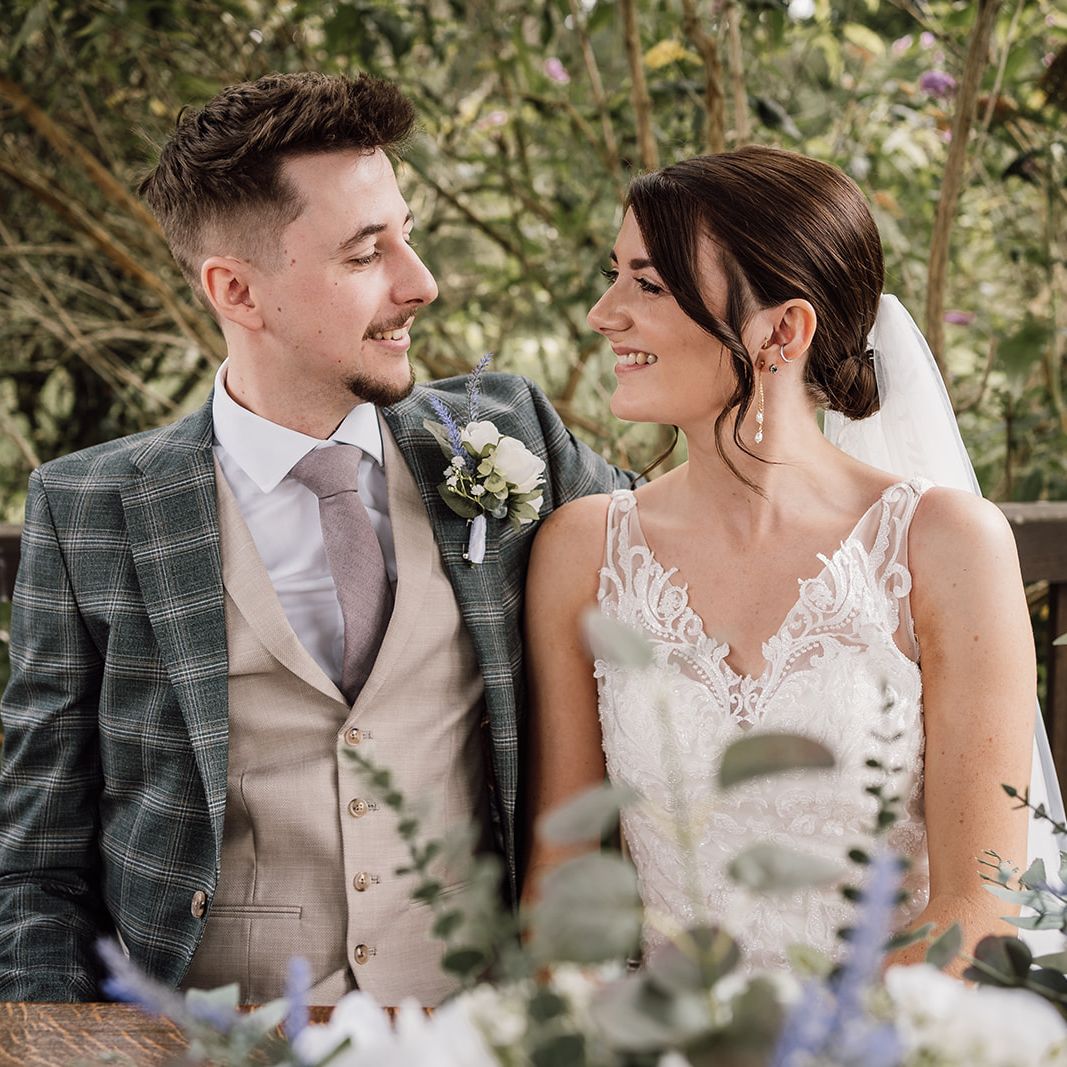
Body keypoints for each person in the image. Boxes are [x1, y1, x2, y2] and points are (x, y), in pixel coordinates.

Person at [0, 71, 630, 1006]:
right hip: (206, 1031)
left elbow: (699, 561)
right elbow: (36, 864)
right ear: (236, 291)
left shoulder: (510, 434)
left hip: (478, 1026)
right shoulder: (89, 507)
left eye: (405, 234)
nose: (421, 283)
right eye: (365, 253)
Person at [524, 145, 1063, 970]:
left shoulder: (946, 545)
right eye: (615, 274)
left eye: (648, 284)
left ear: (783, 329)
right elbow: (560, 883)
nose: (604, 313)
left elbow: (975, 910)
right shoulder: (583, 549)